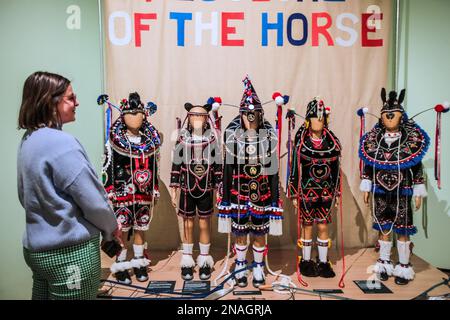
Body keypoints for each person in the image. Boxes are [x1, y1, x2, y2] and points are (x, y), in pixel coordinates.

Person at [17, 71, 120, 300]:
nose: (77, 103)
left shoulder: (28, 139)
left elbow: (24, 194)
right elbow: (93, 201)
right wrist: (111, 228)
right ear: (50, 101)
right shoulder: (62, 143)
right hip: (70, 255)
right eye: (71, 98)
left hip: (36, 252)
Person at [218, 76, 283, 288]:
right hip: (238, 193)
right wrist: (226, 198)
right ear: (241, 114)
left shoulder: (269, 137)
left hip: (262, 194)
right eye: (247, 113)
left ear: (260, 114)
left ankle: (256, 266)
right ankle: (239, 264)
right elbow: (227, 169)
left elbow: (273, 172)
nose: (251, 117)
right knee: (239, 232)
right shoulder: (231, 136)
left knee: (259, 231)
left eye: (254, 113)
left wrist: (275, 200)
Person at [359, 88, 429, 285]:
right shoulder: (374, 140)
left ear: (401, 116)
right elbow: (369, 164)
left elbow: (416, 167)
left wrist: (417, 191)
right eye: (386, 116)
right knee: (384, 228)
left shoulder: (412, 141)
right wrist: (366, 186)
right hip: (380, 191)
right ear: (381, 117)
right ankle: (384, 263)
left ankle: (404, 267)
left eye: (393, 115)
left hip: (402, 191)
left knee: (403, 229)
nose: (389, 119)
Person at [103, 92, 161, 284]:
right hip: (122, 193)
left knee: (140, 229)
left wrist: (154, 187)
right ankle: (120, 266)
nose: (134, 118)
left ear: (144, 116)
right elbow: (108, 166)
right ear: (123, 116)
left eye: (137, 114)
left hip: (143, 193)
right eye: (130, 114)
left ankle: (139, 264)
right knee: (121, 230)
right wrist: (109, 188)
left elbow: (154, 167)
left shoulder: (149, 143)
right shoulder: (114, 141)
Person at [288, 98, 342, 278]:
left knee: (323, 226)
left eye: (321, 118)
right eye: (314, 118)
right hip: (306, 192)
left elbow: (336, 171)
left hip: (326, 192)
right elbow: (295, 168)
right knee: (307, 226)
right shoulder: (302, 142)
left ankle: (324, 262)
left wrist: (338, 193)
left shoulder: (332, 143)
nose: (318, 121)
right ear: (308, 120)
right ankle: (305, 261)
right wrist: (294, 194)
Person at [170, 102, 222, 281]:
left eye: (201, 115)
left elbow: (217, 165)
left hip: (206, 187)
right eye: (193, 115)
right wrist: (174, 188)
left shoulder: (212, 138)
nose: (197, 119)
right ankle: (187, 261)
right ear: (188, 118)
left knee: (205, 223)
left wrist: (219, 188)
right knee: (187, 223)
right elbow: (176, 163)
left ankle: (205, 261)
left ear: (207, 118)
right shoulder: (182, 138)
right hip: (186, 187)